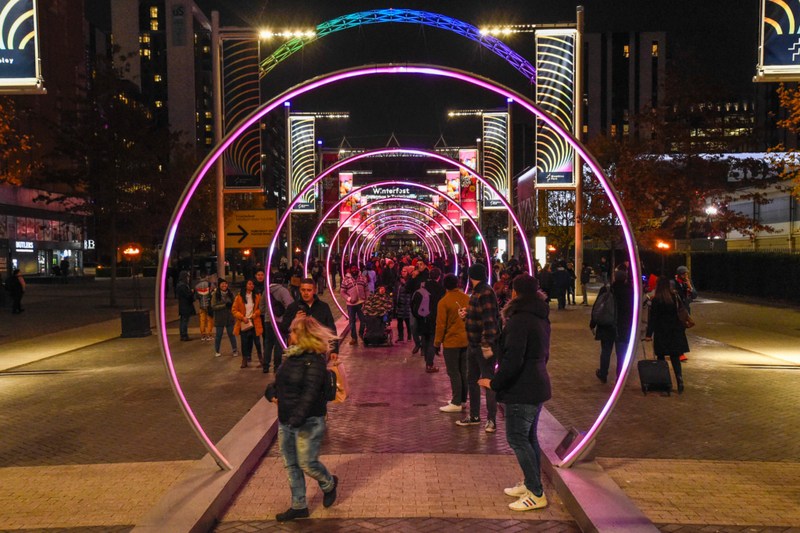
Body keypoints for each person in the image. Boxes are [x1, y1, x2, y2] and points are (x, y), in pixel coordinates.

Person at [478, 274, 551, 512]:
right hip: (537, 384)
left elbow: (513, 359)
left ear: (515, 293)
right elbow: (542, 353)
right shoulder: (540, 318)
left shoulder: (519, 321)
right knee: (529, 437)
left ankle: (536, 493)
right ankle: (531, 483)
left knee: (517, 438)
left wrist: (495, 383)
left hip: (522, 389)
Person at [264, 315, 339, 522]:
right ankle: (299, 506)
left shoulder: (315, 360)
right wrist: (271, 391)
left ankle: (329, 483)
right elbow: (281, 382)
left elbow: (311, 392)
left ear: (304, 335)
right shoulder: (290, 356)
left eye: (294, 331)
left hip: (309, 421)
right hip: (286, 419)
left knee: (307, 463)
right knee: (291, 465)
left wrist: (297, 416)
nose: (290, 335)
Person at [457, 263, 499, 434]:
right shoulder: (477, 292)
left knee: (488, 382)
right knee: (472, 380)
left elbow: (489, 321)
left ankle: (491, 420)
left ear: (471, 275)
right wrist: (466, 315)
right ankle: (475, 416)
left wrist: (487, 344)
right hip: (473, 344)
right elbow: (481, 317)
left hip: (482, 346)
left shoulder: (485, 293)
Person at [644, 276, 689, 393]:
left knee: (661, 358)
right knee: (675, 357)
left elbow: (653, 319)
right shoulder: (675, 296)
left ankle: (664, 381)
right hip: (675, 331)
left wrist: (649, 334)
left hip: (661, 332)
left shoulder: (656, 300)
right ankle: (679, 379)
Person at [590, 270, 634, 384]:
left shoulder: (606, 290)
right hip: (623, 327)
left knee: (606, 351)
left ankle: (603, 373)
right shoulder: (630, 291)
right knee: (621, 353)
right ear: (625, 279)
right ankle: (620, 376)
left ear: (614, 278)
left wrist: (593, 323)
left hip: (606, 325)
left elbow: (598, 307)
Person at [435, 273, 470, 412]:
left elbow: (441, 325)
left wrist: (437, 343)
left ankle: (455, 402)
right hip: (466, 340)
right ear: (458, 283)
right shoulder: (467, 298)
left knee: (453, 372)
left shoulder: (444, 302)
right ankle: (462, 400)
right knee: (463, 371)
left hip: (451, 342)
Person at [281, 278, 339, 362]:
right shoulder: (293, 307)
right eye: (303, 290)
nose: (306, 293)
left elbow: (331, 328)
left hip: (319, 352)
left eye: (309, 290)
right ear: (300, 290)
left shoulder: (323, 307)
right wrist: (295, 320)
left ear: (314, 291)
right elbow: (283, 328)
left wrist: (334, 350)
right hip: (299, 354)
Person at [412, 267, 446, 373]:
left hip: (422, 316)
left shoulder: (423, 285)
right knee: (432, 339)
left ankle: (426, 357)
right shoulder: (441, 288)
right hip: (434, 317)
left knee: (425, 337)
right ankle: (430, 364)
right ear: (439, 277)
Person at [260, 273, 294, 373]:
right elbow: (290, 305)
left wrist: (266, 313)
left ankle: (265, 366)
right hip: (279, 321)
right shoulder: (283, 291)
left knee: (268, 343)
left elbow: (261, 305)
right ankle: (277, 366)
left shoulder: (266, 291)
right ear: (283, 281)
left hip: (268, 321)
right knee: (278, 344)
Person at [232, 279, 263, 369]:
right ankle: (244, 360)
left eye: (252, 284)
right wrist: (242, 317)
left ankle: (261, 359)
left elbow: (261, 307)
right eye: (249, 284)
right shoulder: (239, 297)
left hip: (254, 321)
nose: (251, 285)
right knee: (244, 342)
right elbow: (234, 310)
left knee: (257, 342)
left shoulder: (257, 296)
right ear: (245, 285)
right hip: (244, 322)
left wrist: (256, 314)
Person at [671, 266, 697, 362]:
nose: (686, 276)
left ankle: (679, 351)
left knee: (682, 331)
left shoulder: (688, 282)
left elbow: (694, 295)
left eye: (686, 274)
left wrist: (690, 287)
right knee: (679, 331)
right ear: (679, 275)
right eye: (684, 274)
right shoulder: (673, 283)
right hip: (677, 311)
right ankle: (680, 352)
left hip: (685, 311)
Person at [340, 264, 369, 345]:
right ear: (350, 269)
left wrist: (367, 298)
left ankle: (361, 333)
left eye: (355, 268)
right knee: (352, 321)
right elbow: (342, 292)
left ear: (357, 268)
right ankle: (354, 338)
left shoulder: (363, 278)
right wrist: (349, 298)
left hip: (361, 302)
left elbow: (366, 289)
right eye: (352, 268)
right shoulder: (345, 280)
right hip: (351, 304)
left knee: (363, 320)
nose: (354, 269)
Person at [210, 279, 238, 357]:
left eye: (225, 284)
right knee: (219, 335)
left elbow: (235, 304)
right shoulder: (215, 294)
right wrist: (225, 306)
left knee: (232, 334)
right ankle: (217, 350)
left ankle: (235, 349)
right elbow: (213, 306)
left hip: (229, 317)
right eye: (222, 284)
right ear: (219, 285)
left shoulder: (231, 294)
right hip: (219, 318)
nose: (224, 285)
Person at [194, 270, 215, 341]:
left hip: (201, 305)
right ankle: (209, 334)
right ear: (206, 277)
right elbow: (214, 294)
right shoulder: (211, 285)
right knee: (210, 320)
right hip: (209, 305)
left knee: (202, 320)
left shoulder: (197, 286)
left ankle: (203, 335)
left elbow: (196, 296)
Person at [394, 267, 413, 343]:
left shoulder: (409, 281)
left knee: (408, 321)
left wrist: (405, 284)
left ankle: (409, 335)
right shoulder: (398, 281)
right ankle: (400, 336)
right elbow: (396, 290)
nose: (403, 273)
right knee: (400, 321)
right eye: (402, 271)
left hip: (407, 303)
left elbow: (409, 290)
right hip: (400, 304)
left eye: (404, 271)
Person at [176, 271, 196, 341]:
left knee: (182, 320)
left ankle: (182, 334)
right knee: (185, 320)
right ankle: (184, 335)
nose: (188, 278)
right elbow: (187, 295)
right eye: (187, 277)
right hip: (186, 305)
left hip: (182, 305)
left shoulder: (179, 285)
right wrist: (192, 292)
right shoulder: (183, 286)